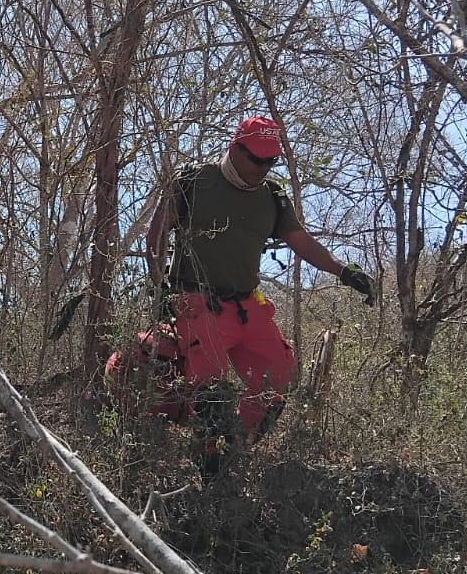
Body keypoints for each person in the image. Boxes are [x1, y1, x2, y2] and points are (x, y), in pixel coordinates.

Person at [108, 116, 374, 465]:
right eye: (256, 158)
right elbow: (156, 235)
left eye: (271, 161)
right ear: (236, 148)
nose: (263, 167)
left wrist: (342, 270)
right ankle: (209, 461)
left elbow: (301, 242)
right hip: (198, 301)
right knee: (208, 388)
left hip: (248, 305)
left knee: (278, 373)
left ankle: (238, 448)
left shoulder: (273, 197)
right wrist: (162, 291)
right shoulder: (195, 181)